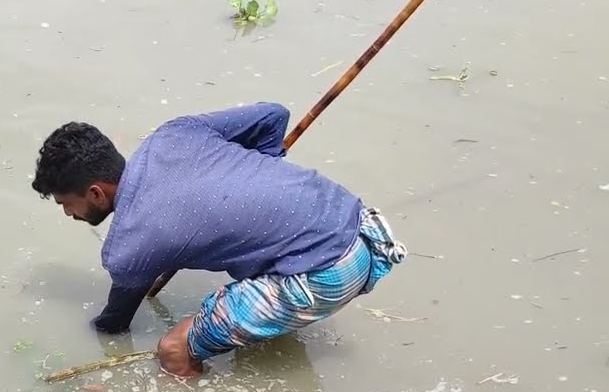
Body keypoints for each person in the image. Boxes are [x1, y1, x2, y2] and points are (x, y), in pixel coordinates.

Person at [30, 101, 406, 377]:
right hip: (364, 228)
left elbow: (114, 323)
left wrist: (81, 341)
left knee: (173, 348)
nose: (68, 215)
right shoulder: (174, 134)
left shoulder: (127, 247)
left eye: (67, 204)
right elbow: (274, 116)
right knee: (250, 275)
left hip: (327, 275)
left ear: (95, 193)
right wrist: (252, 174)